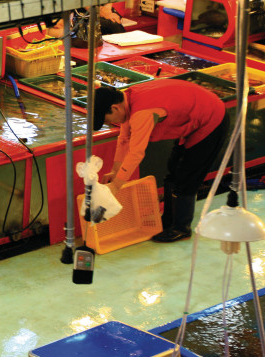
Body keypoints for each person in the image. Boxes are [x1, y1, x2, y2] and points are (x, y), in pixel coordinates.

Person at [89, 79, 228, 243]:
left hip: (211, 119)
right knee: (173, 170)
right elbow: (125, 139)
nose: (109, 122)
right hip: (194, 117)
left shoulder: (141, 112)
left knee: (186, 176)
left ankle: (181, 228)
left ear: (115, 108)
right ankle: (168, 221)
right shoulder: (126, 98)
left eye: (107, 118)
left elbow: (136, 153)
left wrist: (116, 185)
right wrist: (115, 171)